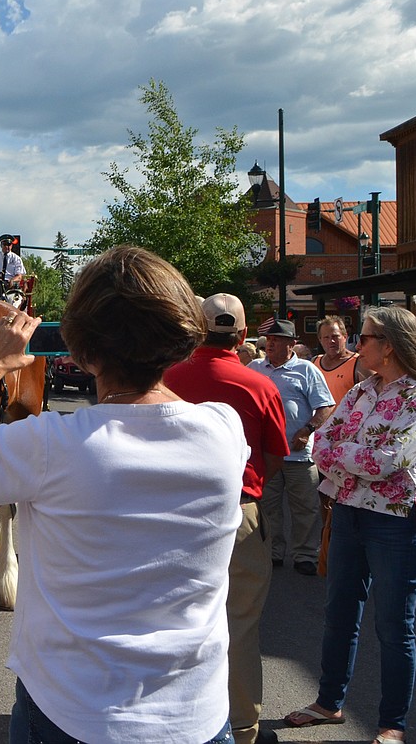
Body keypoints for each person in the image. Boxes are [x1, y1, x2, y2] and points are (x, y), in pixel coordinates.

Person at [0, 246, 246, 744]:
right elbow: (166, 409)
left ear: (83, 352)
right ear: (178, 342)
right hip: (197, 715)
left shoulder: (50, 444)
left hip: (73, 713)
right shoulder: (224, 429)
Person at [285, 306, 416, 744]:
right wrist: (349, 456)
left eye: (365, 337)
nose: (358, 344)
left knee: (394, 626)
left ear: (391, 345)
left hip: (399, 521)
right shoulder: (362, 392)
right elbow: (323, 440)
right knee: (339, 613)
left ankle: (392, 725)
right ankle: (329, 702)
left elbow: (388, 462)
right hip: (349, 510)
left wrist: (345, 456)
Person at [166, 293, 289, 744]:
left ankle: (177, 720)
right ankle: (241, 727)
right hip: (239, 513)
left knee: (175, 619)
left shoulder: (168, 378)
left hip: (175, 515)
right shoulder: (260, 386)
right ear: (242, 335)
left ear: (198, 331)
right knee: (239, 624)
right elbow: (275, 457)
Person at [249, 320, 335, 575]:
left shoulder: (306, 370)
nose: (270, 343)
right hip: (268, 453)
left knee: (305, 508)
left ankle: (305, 554)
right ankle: (273, 552)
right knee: (268, 506)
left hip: (299, 454)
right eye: (268, 339)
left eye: (276, 339)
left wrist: (307, 431)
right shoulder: (255, 368)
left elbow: (325, 406)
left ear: (291, 343)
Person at [313, 316, 373, 406]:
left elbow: (373, 397)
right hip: (322, 420)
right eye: (326, 337)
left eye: (335, 336)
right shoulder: (314, 363)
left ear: (345, 337)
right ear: (320, 340)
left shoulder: (360, 363)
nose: (331, 341)